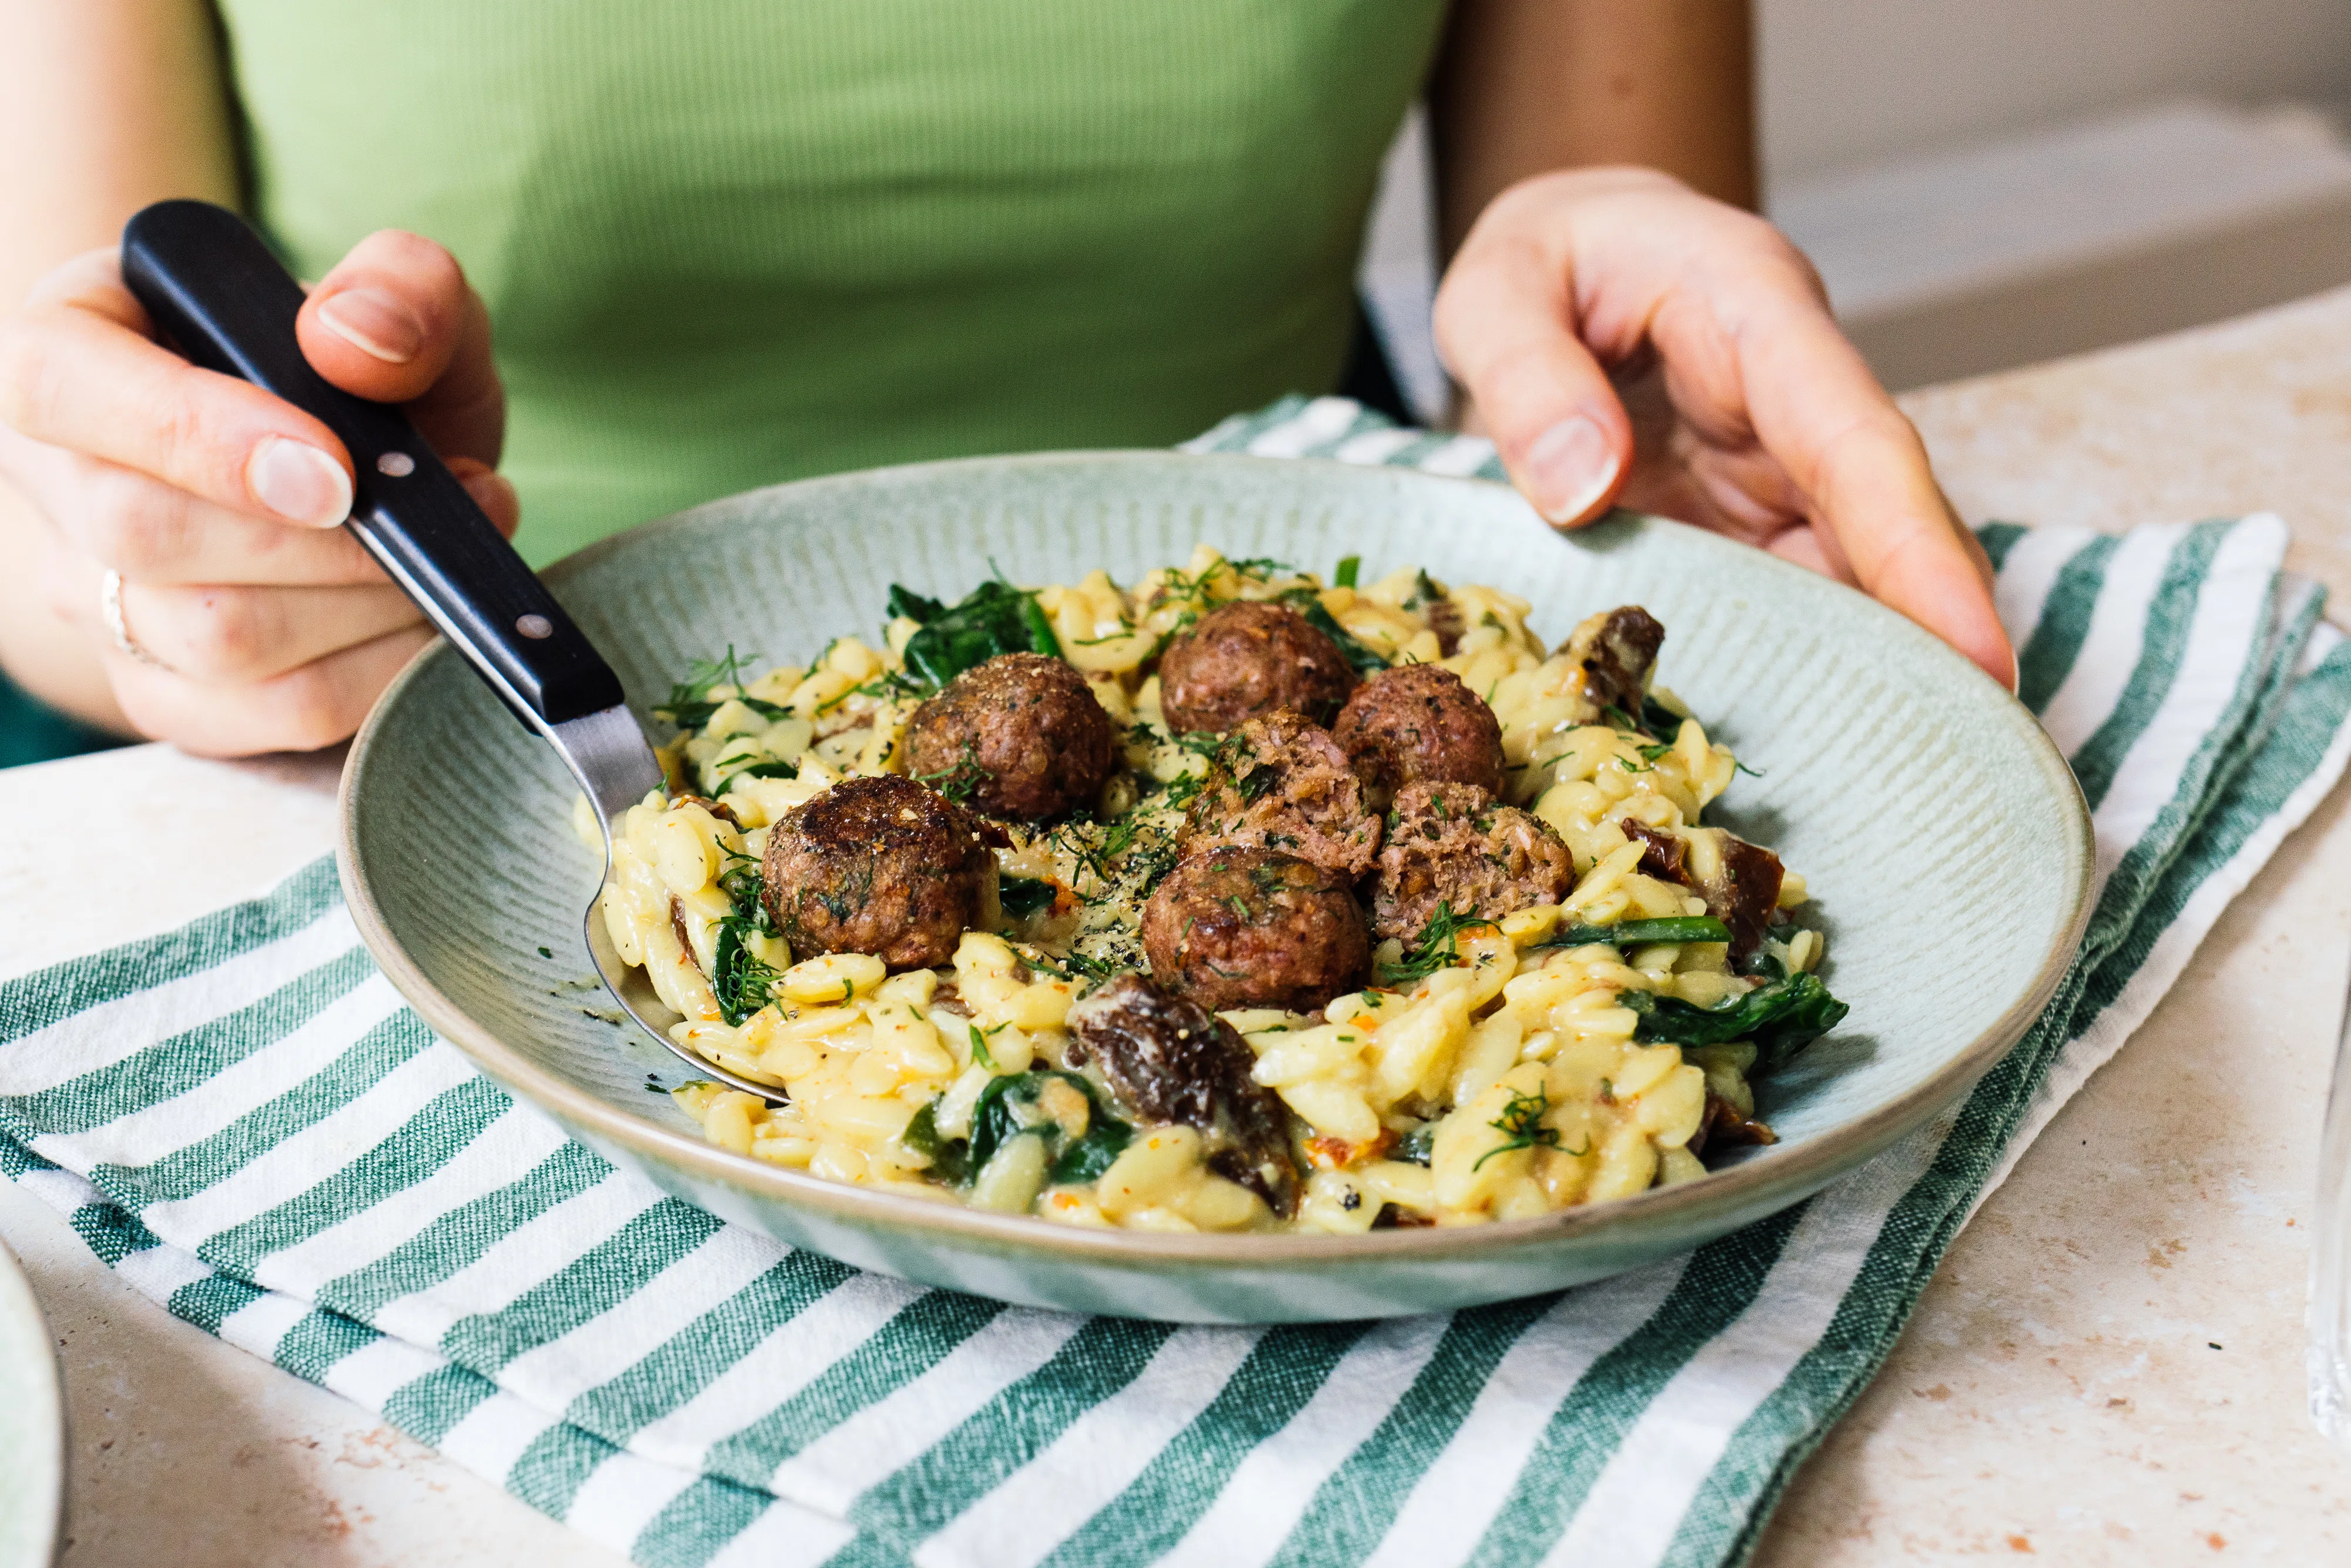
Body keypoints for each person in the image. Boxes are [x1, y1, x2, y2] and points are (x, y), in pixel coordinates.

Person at [0, 0, 2012, 762]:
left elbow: (1597, 209)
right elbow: (43, 428)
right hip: (429, 715)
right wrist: (172, 576)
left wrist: (1616, 392)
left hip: (1285, 615)